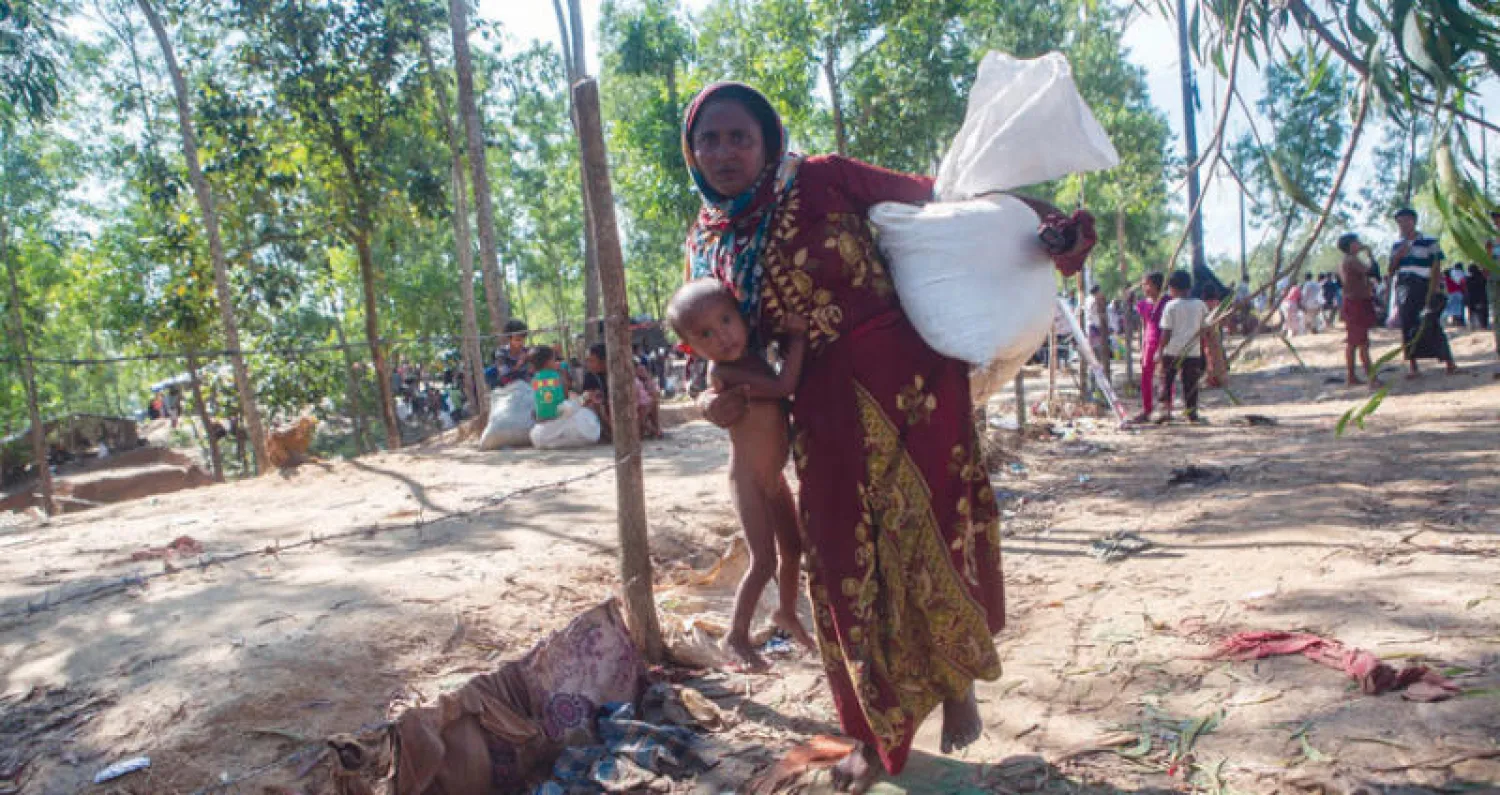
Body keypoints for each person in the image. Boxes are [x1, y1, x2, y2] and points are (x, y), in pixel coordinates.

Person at [681, 81, 1093, 791]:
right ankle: (875, 732)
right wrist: (720, 399)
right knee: (841, 564)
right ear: (691, 151)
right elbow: (723, 348)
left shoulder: (821, 177)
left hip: (911, 377)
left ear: (767, 139)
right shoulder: (711, 243)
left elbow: (944, 197)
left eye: (737, 136)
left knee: (931, 526)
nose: (723, 152)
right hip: (817, 404)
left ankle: (954, 675)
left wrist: (1046, 221)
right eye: (708, 140)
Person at [667, 279, 815, 670]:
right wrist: (798, 339)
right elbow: (785, 386)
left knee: (794, 547)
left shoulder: (751, 354)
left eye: (727, 320)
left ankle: (785, 612)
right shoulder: (727, 373)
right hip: (748, 479)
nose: (723, 336)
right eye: (706, 334)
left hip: (772, 478)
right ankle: (737, 635)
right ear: (692, 349)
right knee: (764, 559)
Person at [1389, 208, 1458, 378]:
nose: (1403, 225)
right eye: (1399, 222)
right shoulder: (1397, 245)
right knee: (1408, 325)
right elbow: (1391, 270)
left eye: (1406, 220)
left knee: (1431, 322)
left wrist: (1433, 290)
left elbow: (1436, 267)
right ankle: (1413, 365)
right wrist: (1398, 256)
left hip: (1424, 284)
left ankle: (1449, 362)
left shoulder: (1429, 242)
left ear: (1413, 221)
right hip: (1405, 286)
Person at [1156, 270, 1208, 423]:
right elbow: (1205, 328)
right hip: (1193, 351)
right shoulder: (1200, 305)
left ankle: (1166, 412)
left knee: (1167, 381)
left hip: (1172, 351)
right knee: (1190, 383)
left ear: (1173, 288)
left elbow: (1166, 332)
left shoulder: (1170, 306)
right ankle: (1191, 413)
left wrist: (1160, 350)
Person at [1337, 234, 1381, 388]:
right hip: (1357, 302)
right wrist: (1370, 254)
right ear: (1350, 245)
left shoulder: (1346, 261)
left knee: (1354, 342)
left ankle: (1352, 376)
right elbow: (1372, 272)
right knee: (1361, 342)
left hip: (1354, 301)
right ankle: (1371, 377)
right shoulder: (1352, 261)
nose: (1360, 244)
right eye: (1356, 242)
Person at [1131, 272, 1169, 424]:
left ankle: (1167, 409)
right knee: (1146, 375)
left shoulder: (1167, 301)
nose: (1144, 287)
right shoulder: (1143, 305)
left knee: (1166, 376)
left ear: (1156, 285)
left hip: (1165, 341)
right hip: (1150, 341)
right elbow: (1144, 326)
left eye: (1147, 284)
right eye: (1143, 284)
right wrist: (1142, 346)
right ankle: (1147, 409)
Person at [1086, 283, 1112, 385]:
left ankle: (1094, 383)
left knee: (1094, 356)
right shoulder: (1094, 300)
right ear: (1097, 291)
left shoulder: (1088, 299)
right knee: (1097, 357)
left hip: (1091, 328)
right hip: (1095, 329)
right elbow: (1100, 313)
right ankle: (1096, 383)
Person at [496, 319, 531, 386]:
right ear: (509, 339)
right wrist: (519, 364)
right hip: (508, 390)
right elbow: (504, 374)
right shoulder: (501, 352)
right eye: (518, 340)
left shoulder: (527, 351)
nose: (521, 343)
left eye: (524, 340)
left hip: (527, 388)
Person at [1465, 263, 1489, 330]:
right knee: (1483, 313)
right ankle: (1483, 326)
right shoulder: (1482, 277)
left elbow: (1467, 289)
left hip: (1472, 299)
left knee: (1472, 312)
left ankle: (1473, 326)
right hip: (1482, 298)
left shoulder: (1468, 279)